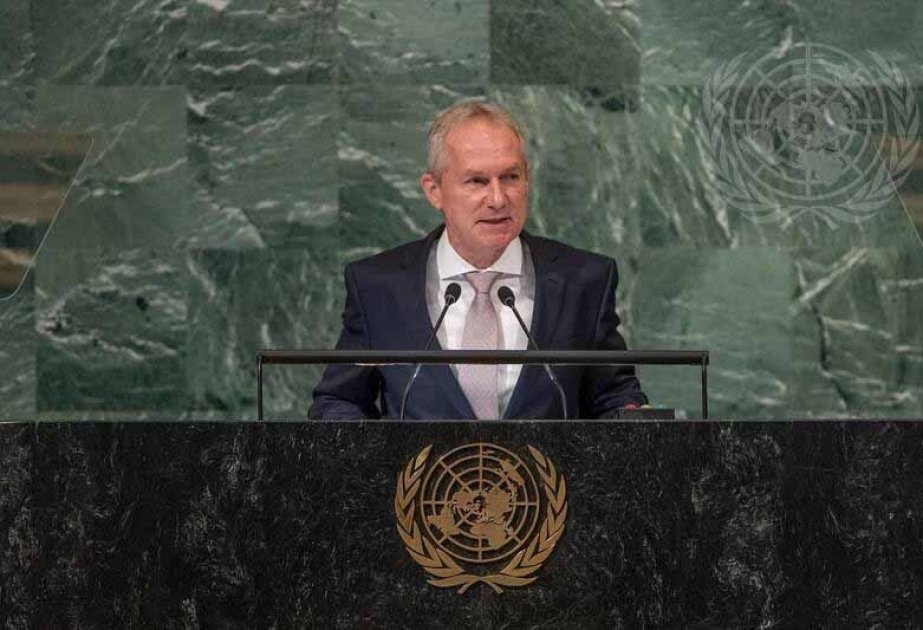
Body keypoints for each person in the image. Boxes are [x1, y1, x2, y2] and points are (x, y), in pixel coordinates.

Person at [309, 101, 647, 419]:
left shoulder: (584, 281)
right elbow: (339, 400)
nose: (498, 199)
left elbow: (614, 396)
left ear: (527, 179)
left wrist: (633, 419)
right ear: (434, 191)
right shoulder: (379, 287)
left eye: (511, 177)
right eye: (477, 181)